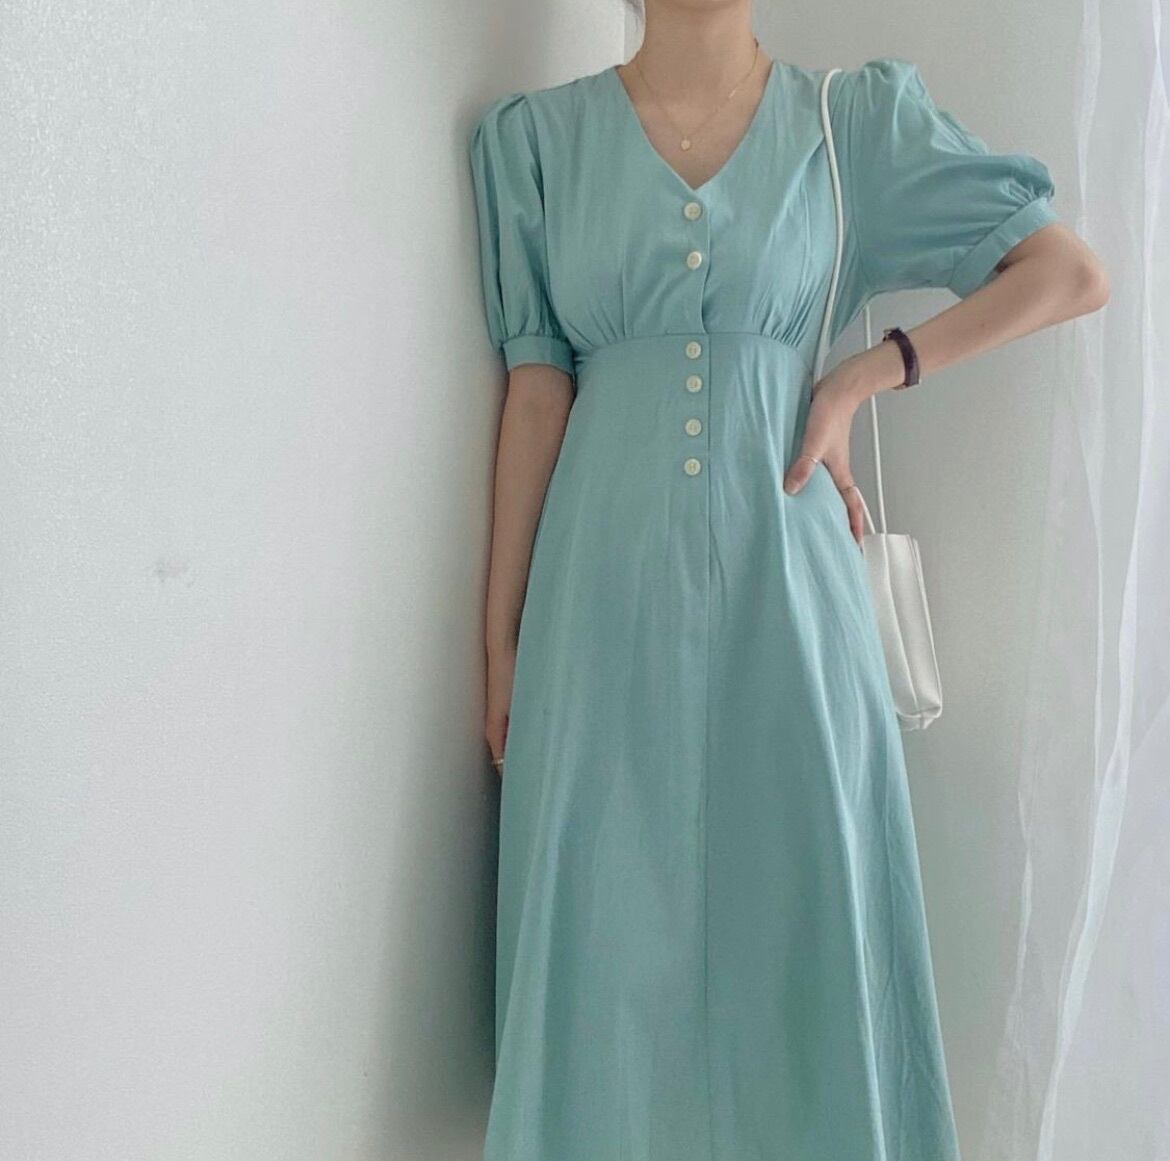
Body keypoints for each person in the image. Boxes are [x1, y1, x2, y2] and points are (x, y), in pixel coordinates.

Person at [466, 3, 1109, 1158]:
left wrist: (868, 372)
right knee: (600, 949)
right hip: (596, 606)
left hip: (792, 596)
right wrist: (502, 641)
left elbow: (1065, 272)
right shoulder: (536, 141)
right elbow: (536, 394)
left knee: (803, 930)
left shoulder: (847, 124)